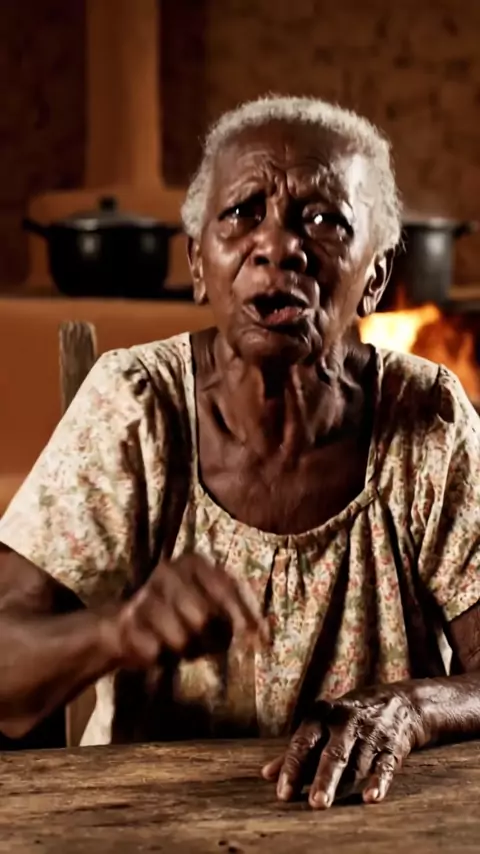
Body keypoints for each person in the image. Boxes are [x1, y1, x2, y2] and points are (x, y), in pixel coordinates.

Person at [0, 95, 479, 810]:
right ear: (199, 264)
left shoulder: (427, 417)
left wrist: (409, 708)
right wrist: (115, 631)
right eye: (242, 213)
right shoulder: (137, 407)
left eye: (324, 220)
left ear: (375, 278)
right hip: (152, 828)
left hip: (368, 825)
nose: (277, 246)